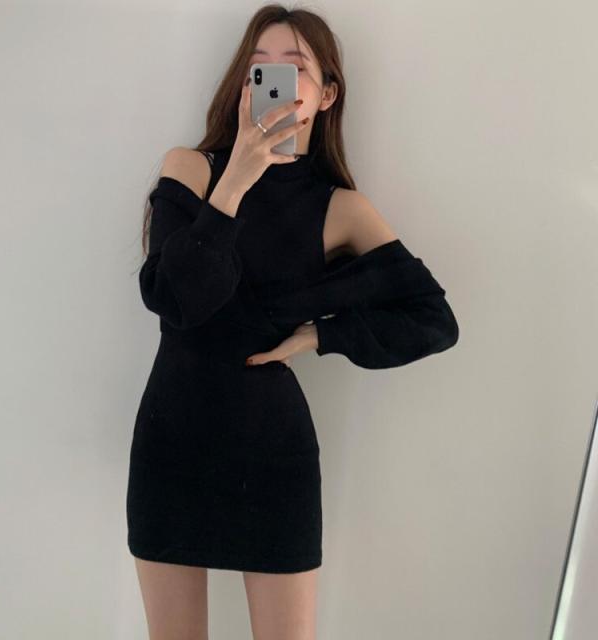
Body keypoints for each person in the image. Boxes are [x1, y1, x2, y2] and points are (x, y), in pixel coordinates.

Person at [127, 6, 458, 640]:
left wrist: (323, 335)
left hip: (272, 454)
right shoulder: (191, 169)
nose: (274, 79)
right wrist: (235, 181)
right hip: (173, 438)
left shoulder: (341, 209)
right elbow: (174, 299)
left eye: (295, 67)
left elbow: (433, 319)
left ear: (326, 94)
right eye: (260, 67)